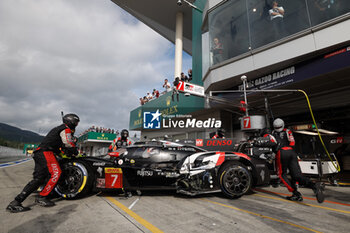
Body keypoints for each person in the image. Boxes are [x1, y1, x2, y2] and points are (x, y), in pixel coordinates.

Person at [6, 113, 80, 213]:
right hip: (46, 152)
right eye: (76, 122)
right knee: (56, 173)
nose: (76, 124)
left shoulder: (59, 129)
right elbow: (68, 143)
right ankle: (42, 197)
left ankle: (15, 202)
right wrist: (75, 150)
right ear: (70, 121)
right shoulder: (65, 128)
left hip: (39, 152)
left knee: (39, 179)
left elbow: (60, 145)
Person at [267, 118, 324, 203]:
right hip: (292, 153)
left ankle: (295, 193)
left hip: (281, 153)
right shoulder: (288, 131)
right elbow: (292, 143)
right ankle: (314, 186)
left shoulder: (271, 134)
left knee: (281, 175)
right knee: (297, 175)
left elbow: (271, 144)